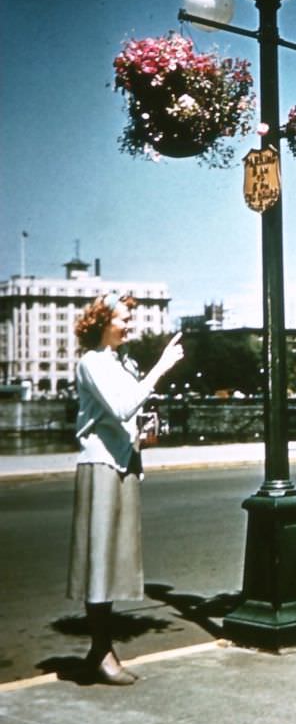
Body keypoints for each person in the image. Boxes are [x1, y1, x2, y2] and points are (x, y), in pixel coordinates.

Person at [67, 292, 183, 685]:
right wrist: (160, 368)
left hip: (121, 462)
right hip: (100, 464)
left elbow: (126, 414)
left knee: (113, 559)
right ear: (102, 323)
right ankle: (101, 653)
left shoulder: (120, 362)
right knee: (100, 558)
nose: (129, 325)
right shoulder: (91, 363)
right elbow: (120, 408)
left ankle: (100, 651)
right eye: (122, 318)